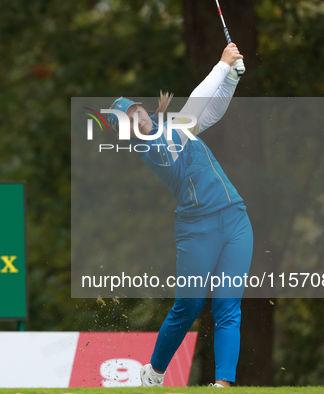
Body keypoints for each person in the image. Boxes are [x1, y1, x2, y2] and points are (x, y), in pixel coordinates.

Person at [104, 43, 253, 388]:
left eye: (137, 109)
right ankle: (153, 373)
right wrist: (221, 65)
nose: (138, 116)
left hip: (235, 219)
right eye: (130, 118)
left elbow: (209, 114)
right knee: (189, 305)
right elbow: (197, 106)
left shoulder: (171, 127)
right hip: (197, 229)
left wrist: (230, 79)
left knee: (228, 305)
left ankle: (223, 385)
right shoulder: (150, 147)